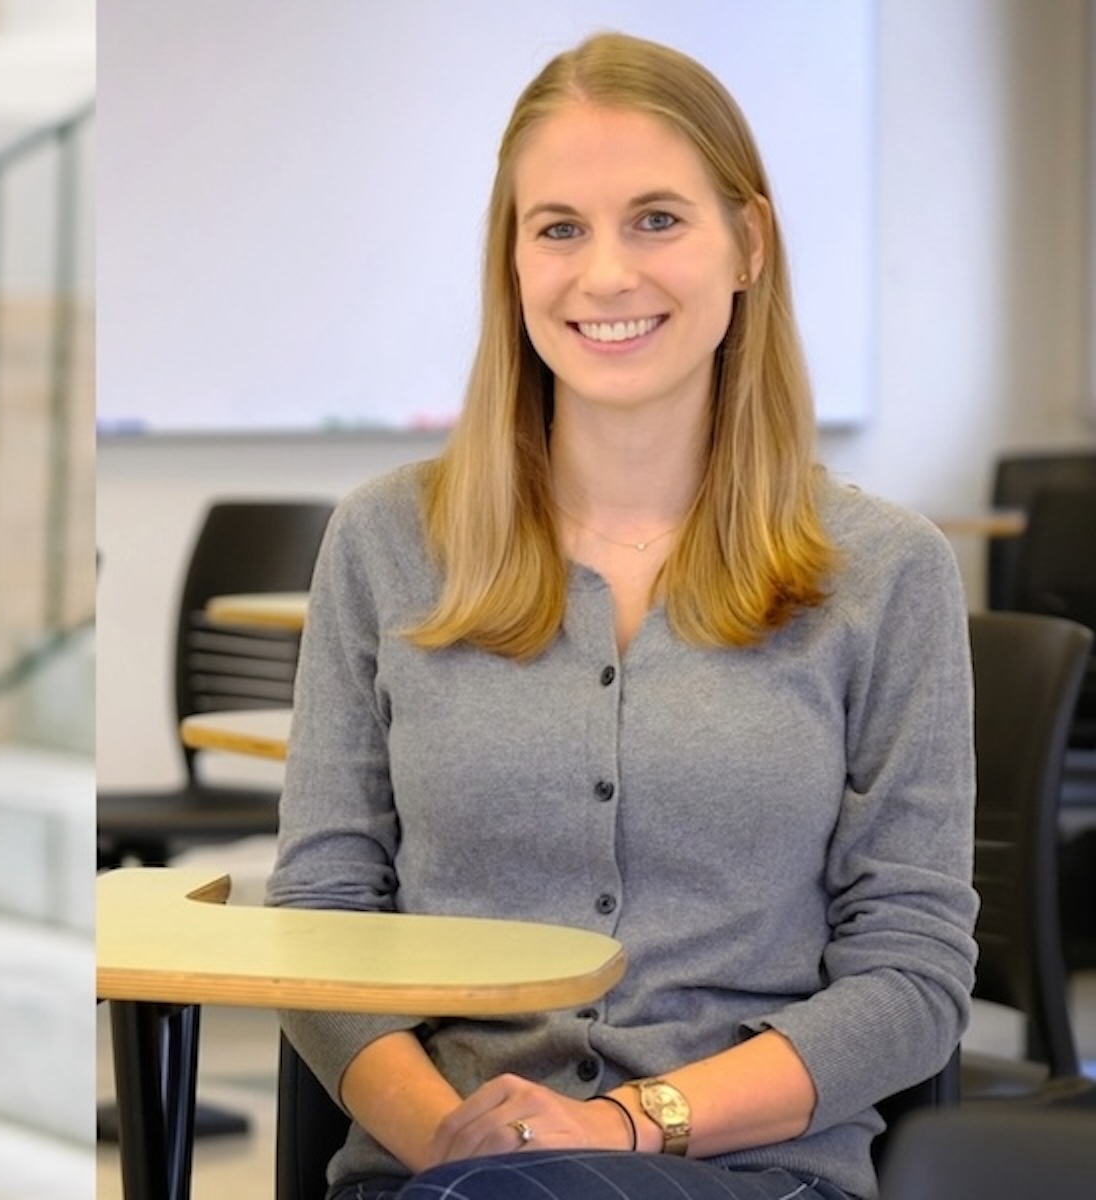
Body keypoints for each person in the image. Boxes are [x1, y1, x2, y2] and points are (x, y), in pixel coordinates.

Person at [266, 32, 975, 1200]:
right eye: (558, 228)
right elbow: (320, 918)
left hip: (748, 1173)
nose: (603, 275)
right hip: (434, 1174)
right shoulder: (383, 542)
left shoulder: (885, 570)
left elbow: (911, 974)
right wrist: (454, 1140)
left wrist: (633, 1126)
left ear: (746, 243)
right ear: (510, 260)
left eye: (655, 219)